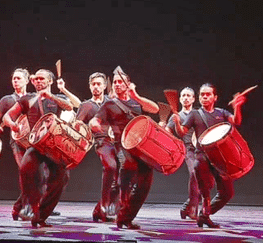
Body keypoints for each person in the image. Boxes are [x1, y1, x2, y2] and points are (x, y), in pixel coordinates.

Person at [90, 66, 159, 229]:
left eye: (121, 82)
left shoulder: (137, 102)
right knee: (126, 174)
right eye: (115, 82)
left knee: (144, 182)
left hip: (141, 148)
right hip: (121, 146)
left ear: (128, 84)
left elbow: (155, 109)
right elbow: (96, 119)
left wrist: (136, 95)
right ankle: (123, 218)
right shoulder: (109, 104)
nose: (117, 84)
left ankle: (105, 211)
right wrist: (94, 124)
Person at [3, 69, 73, 227]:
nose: (39, 81)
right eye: (36, 79)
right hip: (35, 144)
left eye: (42, 79)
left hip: (54, 146)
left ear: (50, 82)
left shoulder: (58, 98)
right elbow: (8, 115)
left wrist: (50, 96)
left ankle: (41, 216)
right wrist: (12, 124)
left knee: (60, 180)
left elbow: (69, 106)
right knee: (26, 170)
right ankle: (29, 207)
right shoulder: (27, 99)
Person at [171, 83, 246, 228]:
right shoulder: (195, 114)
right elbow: (182, 132)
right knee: (205, 192)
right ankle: (204, 215)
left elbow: (236, 122)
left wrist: (237, 106)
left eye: (208, 94)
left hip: (219, 158)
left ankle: (204, 215)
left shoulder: (222, 113)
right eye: (202, 94)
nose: (204, 97)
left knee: (227, 193)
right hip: (201, 157)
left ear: (215, 97)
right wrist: (176, 123)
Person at [0, 68, 33, 221]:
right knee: (25, 171)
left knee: (36, 174)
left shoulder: (32, 98)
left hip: (33, 141)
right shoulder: (7, 100)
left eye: (19, 78)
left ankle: (19, 206)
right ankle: (26, 207)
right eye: (14, 78)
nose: (15, 81)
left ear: (27, 81)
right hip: (17, 142)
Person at [75, 72, 117, 222]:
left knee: (123, 177)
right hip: (101, 142)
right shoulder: (86, 105)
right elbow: (77, 127)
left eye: (99, 84)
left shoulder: (112, 101)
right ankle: (104, 208)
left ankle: (99, 211)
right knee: (111, 166)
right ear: (89, 86)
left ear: (105, 86)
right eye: (93, 84)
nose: (96, 87)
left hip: (117, 141)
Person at [165, 87, 200, 220]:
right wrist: (165, 127)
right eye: (183, 95)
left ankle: (186, 207)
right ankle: (192, 209)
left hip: (201, 149)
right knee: (194, 173)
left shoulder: (198, 114)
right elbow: (168, 132)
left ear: (193, 99)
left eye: (188, 95)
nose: (185, 97)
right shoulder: (176, 116)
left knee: (204, 181)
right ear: (180, 99)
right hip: (188, 149)